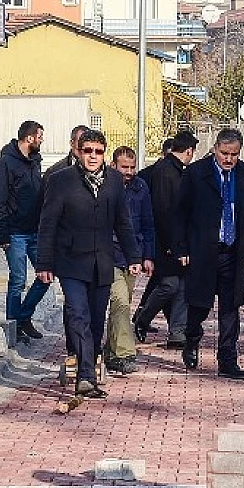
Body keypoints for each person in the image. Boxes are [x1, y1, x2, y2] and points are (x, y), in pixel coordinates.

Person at [37, 130, 141, 399]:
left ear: (104, 153)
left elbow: (123, 222)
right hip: (71, 262)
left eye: (98, 151)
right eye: (87, 151)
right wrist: (44, 263)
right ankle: (85, 376)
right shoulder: (61, 180)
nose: (93, 156)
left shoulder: (115, 181)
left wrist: (134, 258)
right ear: (78, 152)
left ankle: (90, 364)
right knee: (78, 315)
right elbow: (47, 224)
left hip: (102, 262)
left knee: (96, 320)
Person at [177, 128, 244, 380]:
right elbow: (180, 213)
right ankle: (191, 339)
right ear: (215, 149)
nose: (228, 159)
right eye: (224, 153)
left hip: (232, 251)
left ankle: (227, 360)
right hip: (203, 250)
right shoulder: (195, 173)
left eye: (234, 154)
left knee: (230, 308)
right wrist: (181, 248)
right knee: (199, 305)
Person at [134, 131, 198, 350]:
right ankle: (143, 318)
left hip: (176, 242)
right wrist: (172, 245)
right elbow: (164, 210)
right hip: (166, 243)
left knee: (181, 286)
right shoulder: (166, 171)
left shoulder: (177, 171)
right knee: (169, 285)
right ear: (188, 151)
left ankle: (177, 332)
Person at [0, 120, 49, 342]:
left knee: (46, 275)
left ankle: (24, 316)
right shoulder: (6, 163)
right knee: (17, 279)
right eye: (40, 136)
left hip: (36, 231)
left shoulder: (35, 161)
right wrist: (2, 233)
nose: (42, 140)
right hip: (15, 232)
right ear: (29, 138)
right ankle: (12, 328)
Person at [103, 147, 156, 375]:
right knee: (120, 302)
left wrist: (148, 256)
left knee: (121, 307)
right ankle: (125, 353)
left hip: (132, 255)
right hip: (109, 254)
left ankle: (111, 352)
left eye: (132, 167)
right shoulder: (105, 185)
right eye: (124, 167)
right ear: (114, 165)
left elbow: (148, 223)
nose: (129, 172)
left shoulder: (141, 187)